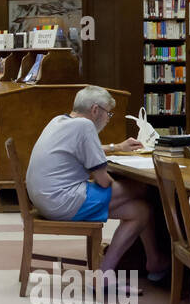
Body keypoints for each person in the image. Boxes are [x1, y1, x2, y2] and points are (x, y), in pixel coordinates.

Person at [25, 85, 168, 278]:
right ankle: (166, 255)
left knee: (140, 210)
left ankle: (113, 272)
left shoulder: (59, 120)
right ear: (95, 110)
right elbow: (103, 181)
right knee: (145, 188)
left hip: (44, 200)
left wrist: (116, 147)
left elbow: (78, 148)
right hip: (63, 201)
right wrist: (126, 186)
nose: (108, 120)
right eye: (108, 114)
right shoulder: (85, 126)